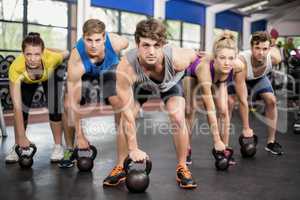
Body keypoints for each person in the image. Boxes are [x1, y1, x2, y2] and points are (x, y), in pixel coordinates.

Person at [103, 18, 198, 189]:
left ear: (163, 45)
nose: (151, 51)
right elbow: (125, 111)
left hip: (170, 82)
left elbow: (195, 56)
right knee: (125, 116)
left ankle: (182, 166)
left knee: (177, 116)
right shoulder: (127, 66)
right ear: (137, 44)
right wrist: (134, 148)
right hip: (143, 83)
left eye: (156, 46)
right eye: (146, 45)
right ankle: (120, 165)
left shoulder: (178, 58)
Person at [59, 19, 128, 168]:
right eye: (89, 40)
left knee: (118, 102)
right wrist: (80, 136)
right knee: (66, 104)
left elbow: (126, 42)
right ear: (83, 38)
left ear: (104, 38)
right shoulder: (76, 58)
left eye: (98, 40)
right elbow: (72, 103)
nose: (93, 45)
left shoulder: (114, 42)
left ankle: (124, 152)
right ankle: (70, 149)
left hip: (108, 67)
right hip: (85, 71)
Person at [5, 32, 69, 163]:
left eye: (37, 54)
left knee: (55, 106)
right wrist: (22, 137)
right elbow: (16, 107)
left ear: (42, 53)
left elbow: (67, 53)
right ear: (23, 53)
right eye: (28, 54)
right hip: (28, 80)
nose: (32, 59)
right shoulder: (16, 68)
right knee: (22, 109)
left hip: (51, 73)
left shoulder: (52, 58)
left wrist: (50, 49)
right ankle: (18, 145)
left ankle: (58, 146)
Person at [183, 31, 244, 165]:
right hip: (193, 74)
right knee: (189, 110)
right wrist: (216, 140)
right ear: (214, 58)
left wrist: (222, 145)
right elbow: (209, 109)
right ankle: (186, 148)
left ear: (235, 58)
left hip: (219, 78)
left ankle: (225, 148)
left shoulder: (237, 66)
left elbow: (223, 111)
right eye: (222, 58)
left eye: (230, 58)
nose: (227, 62)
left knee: (224, 110)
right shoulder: (204, 67)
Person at [228, 31, 283, 155]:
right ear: (251, 47)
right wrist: (246, 128)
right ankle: (224, 146)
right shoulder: (242, 61)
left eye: (264, 49)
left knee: (271, 101)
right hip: (240, 77)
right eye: (257, 48)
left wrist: (273, 44)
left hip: (258, 78)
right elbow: (243, 99)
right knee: (229, 104)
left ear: (269, 49)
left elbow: (276, 52)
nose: (261, 52)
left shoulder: (274, 58)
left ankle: (271, 142)